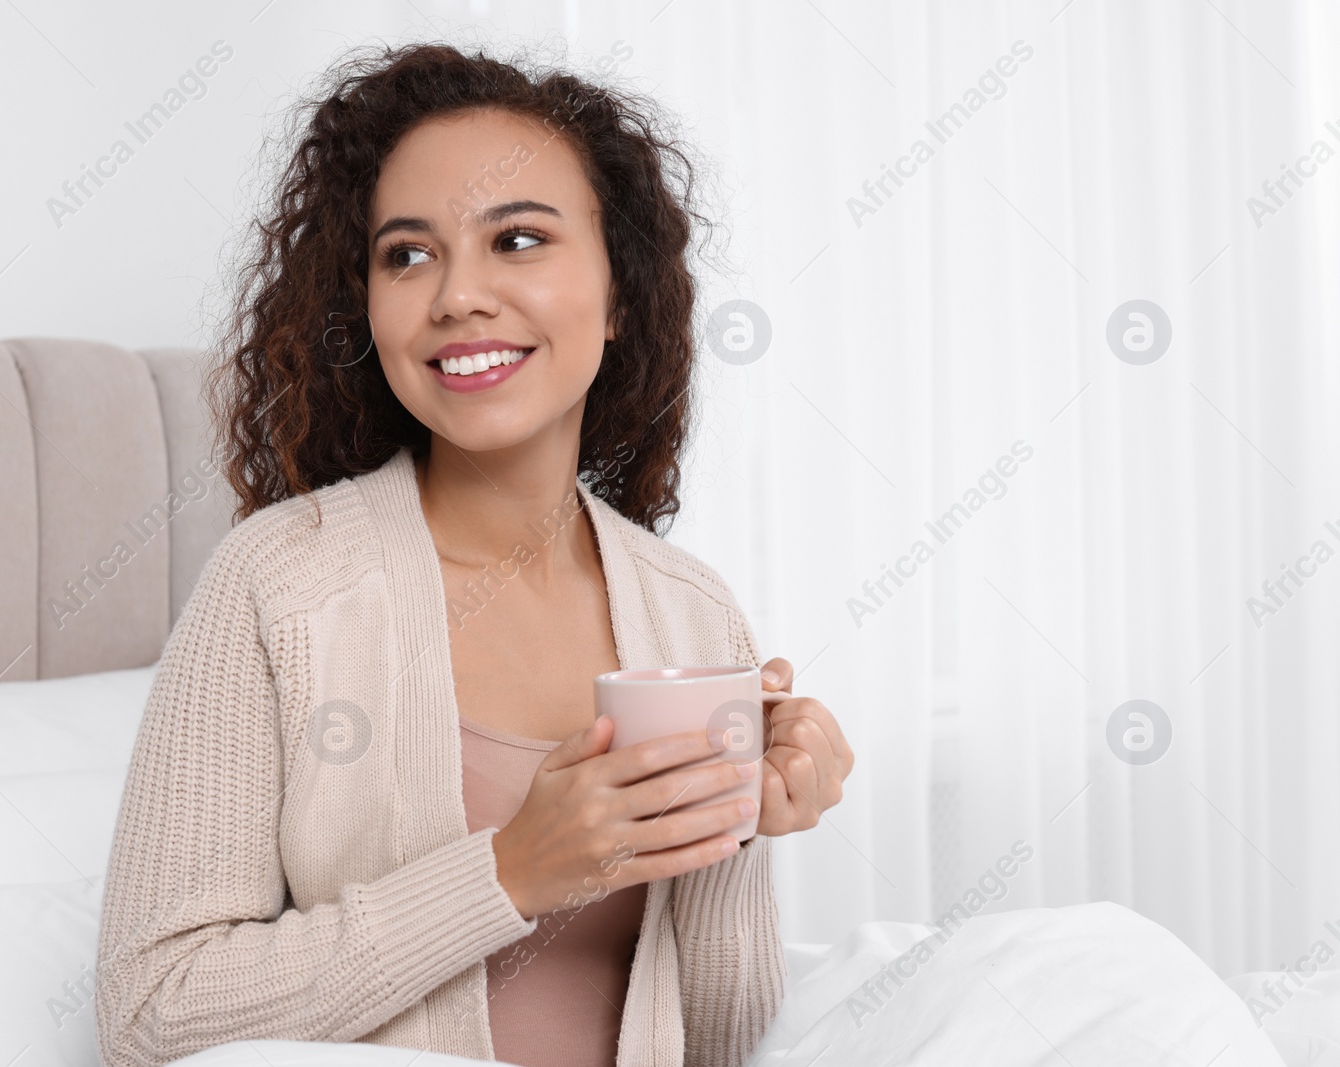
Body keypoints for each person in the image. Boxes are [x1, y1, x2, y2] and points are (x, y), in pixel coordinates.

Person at [94, 40, 854, 1067]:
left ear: (621, 291)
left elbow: (719, 1037)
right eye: (407, 254)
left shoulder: (691, 611)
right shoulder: (278, 584)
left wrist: (740, 823)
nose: (456, 295)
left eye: (519, 240)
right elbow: (150, 1010)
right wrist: (508, 871)